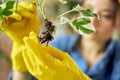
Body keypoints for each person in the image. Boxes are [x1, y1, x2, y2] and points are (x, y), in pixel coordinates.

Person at [5, 0, 120, 80]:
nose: (93, 21)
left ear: (118, 22)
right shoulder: (58, 46)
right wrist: (22, 48)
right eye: (88, 10)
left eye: (105, 15)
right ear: (79, 12)